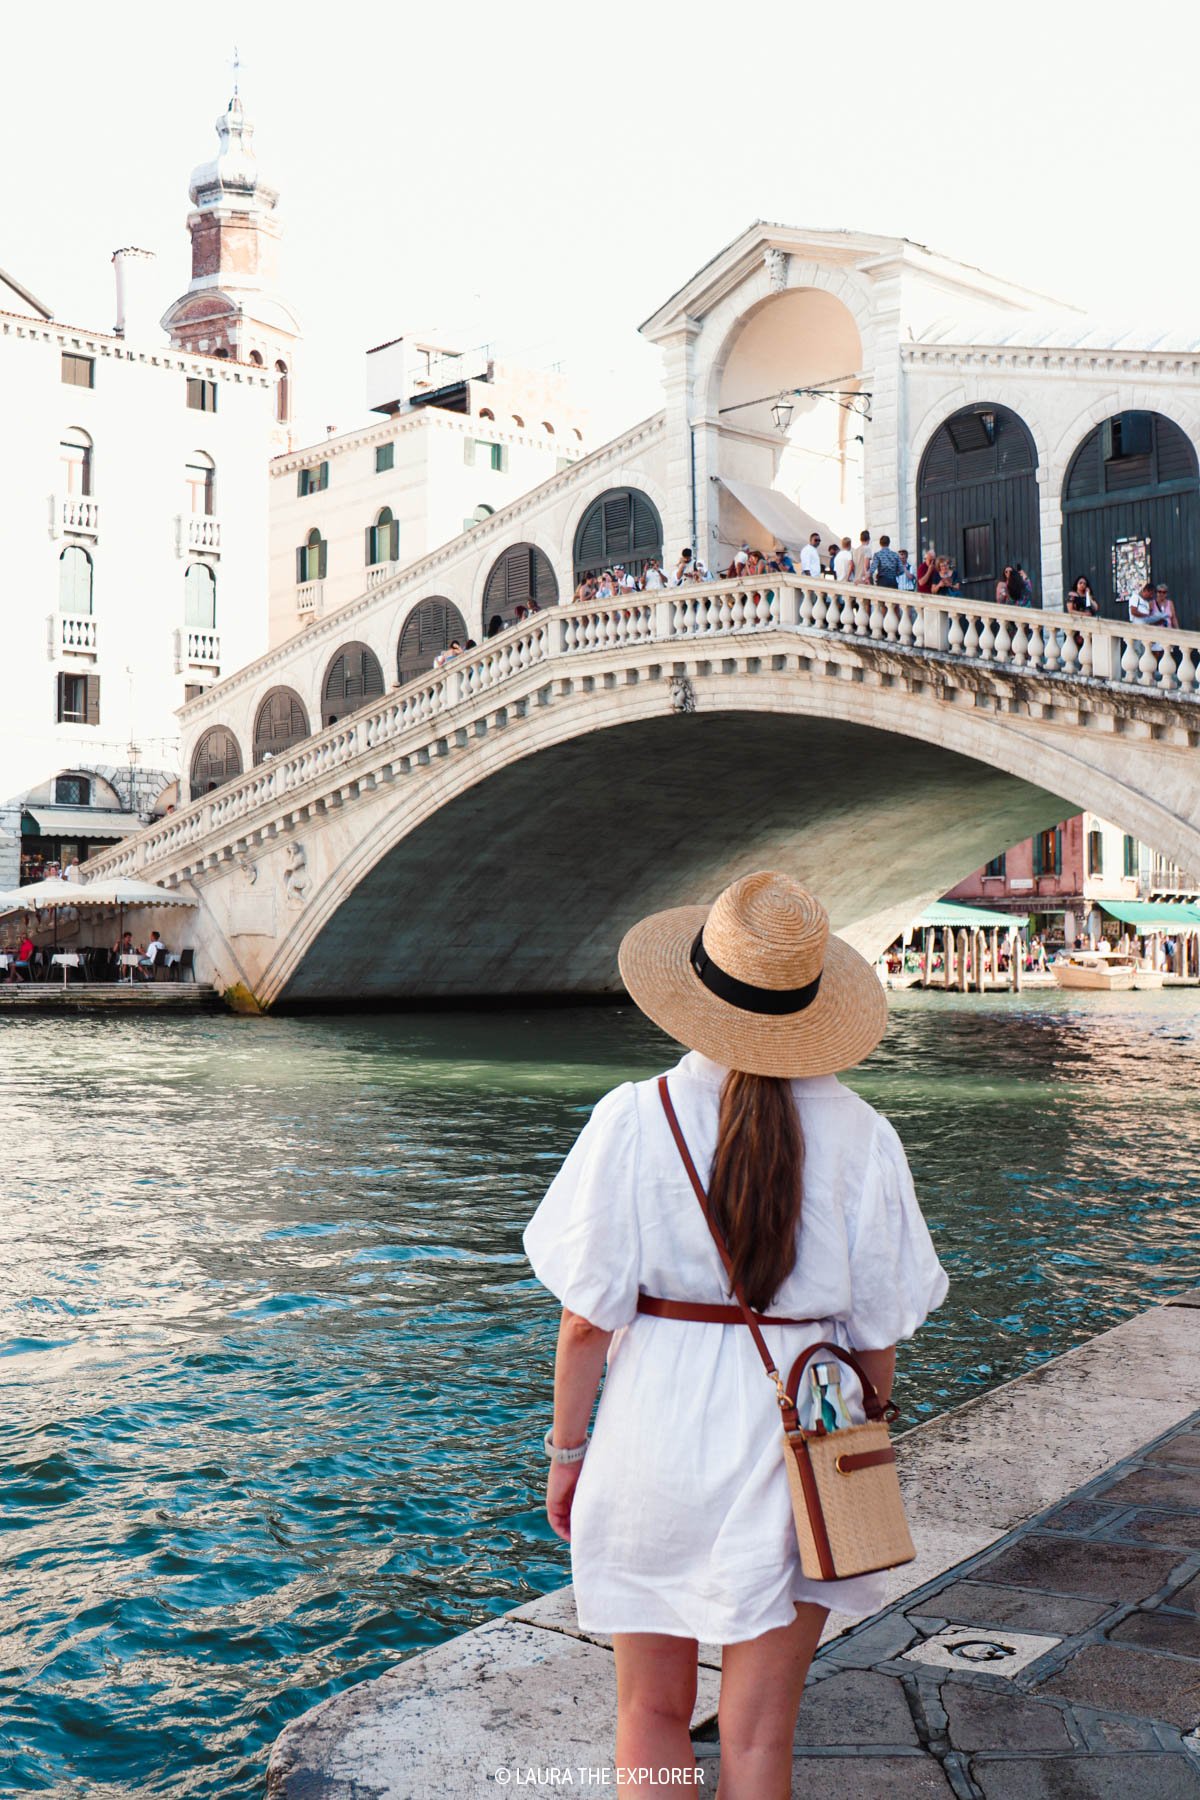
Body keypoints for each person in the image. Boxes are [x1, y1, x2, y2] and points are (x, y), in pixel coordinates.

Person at [525, 872, 948, 1795]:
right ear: (810, 1008)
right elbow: (877, 1335)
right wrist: (862, 1433)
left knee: (650, 1714)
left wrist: (566, 1453)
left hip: (651, 1437)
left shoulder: (634, 1119)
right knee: (760, 1741)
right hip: (799, 1436)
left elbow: (585, 1321)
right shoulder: (866, 1135)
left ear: (695, 995)